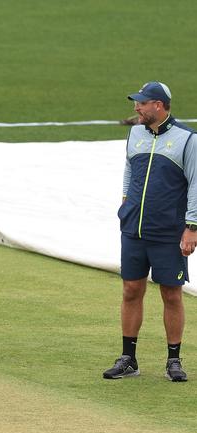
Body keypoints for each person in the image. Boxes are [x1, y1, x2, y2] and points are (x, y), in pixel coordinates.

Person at [104, 81, 197, 382]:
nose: (136, 107)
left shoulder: (187, 140)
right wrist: (125, 205)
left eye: (142, 103)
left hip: (169, 231)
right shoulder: (134, 133)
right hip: (133, 228)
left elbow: (196, 184)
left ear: (158, 105)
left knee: (171, 294)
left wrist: (192, 227)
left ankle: (173, 359)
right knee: (131, 290)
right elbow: (129, 170)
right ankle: (128, 358)